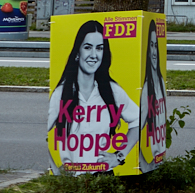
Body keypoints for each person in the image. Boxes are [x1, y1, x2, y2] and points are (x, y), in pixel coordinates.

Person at [47, 20, 139, 174]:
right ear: (78, 52)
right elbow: (44, 131)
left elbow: (139, 120)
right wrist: (56, 171)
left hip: (103, 178)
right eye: (88, 47)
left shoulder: (113, 91)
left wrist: (119, 156)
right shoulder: (61, 94)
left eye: (100, 48)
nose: (94, 55)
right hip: (73, 182)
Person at [139, 20, 168, 170]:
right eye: (151, 46)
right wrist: (143, 164)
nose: (155, 51)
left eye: (156, 45)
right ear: (147, 53)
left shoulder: (161, 81)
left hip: (159, 162)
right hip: (153, 163)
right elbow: (135, 130)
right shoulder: (146, 88)